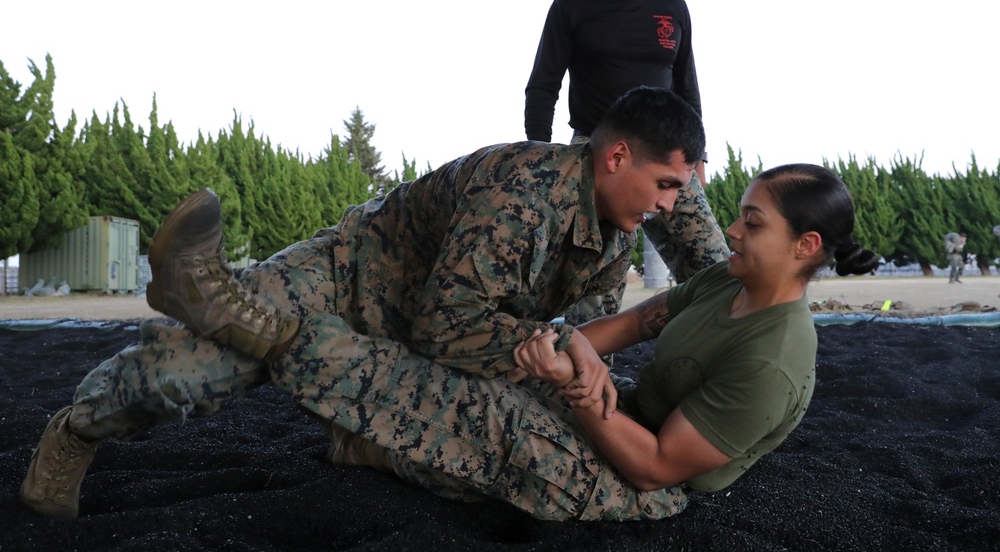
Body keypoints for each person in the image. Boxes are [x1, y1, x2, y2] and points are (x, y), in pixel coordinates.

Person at [21, 159, 879, 522]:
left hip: (639, 477)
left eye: (748, 221)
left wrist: (575, 386)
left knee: (464, 410)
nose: (718, 226)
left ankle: (273, 336)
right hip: (598, 404)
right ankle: (341, 417)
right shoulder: (724, 277)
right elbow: (639, 321)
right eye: (724, 209)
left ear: (804, 248)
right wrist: (572, 349)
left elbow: (658, 465)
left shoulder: (775, 356)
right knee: (478, 383)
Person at [20, 86, 706, 520]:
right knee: (190, 375)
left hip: (444, 331)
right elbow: (449, 327)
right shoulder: (526, 193)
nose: (671, 206)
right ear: (616, 157)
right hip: (355, 276)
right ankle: (78, 428)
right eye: (667, 184)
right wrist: (559, 350)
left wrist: (572, 357)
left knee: (505, 446)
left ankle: (358, 435)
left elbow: (573, 338)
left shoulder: (614, 236)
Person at [524, 0, 728, 285]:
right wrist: (542, 156)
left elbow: (687, 87)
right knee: (592, 287)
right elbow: (543, 85)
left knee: (714, 269)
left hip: (668, 153)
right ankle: (594, 348)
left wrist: (697, 157)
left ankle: (717, 344)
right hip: (595, 157)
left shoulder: (673, 7)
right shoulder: (572, 5)